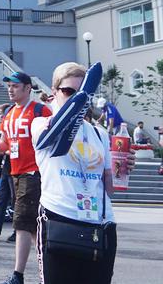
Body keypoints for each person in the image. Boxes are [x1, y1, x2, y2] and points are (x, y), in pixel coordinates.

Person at [30, 62, 116, 284]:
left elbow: (109, 187)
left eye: (84, 94)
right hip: (59, 217)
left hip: (98, 222)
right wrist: (75, 107)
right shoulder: (41, 123)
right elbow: (48, 139)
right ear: (54, 92)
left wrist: (121, 168)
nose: (78, 98)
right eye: (69, 91)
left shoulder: (99, 134)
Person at [0, 71, 51, 284]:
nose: (11, 89)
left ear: (28, 88)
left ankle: (19, 275)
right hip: (15, 172)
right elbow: (6, 143)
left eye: (15, 86)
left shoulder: (40, 110)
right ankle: (44, 273)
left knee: (22, 224)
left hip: (33, 173)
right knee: (33, 227)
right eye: (9, 86)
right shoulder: (9, 113)